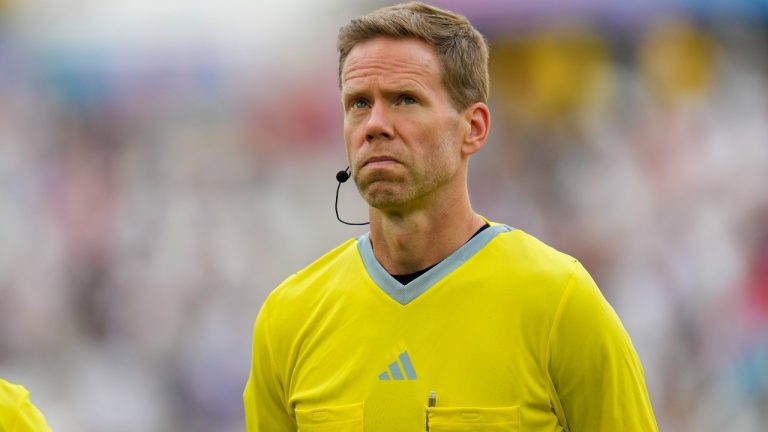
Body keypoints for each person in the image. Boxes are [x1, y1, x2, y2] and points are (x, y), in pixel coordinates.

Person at [244, 2, 658, 430]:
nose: (375, 124)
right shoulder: (289, 319)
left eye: (405, 100)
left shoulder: (559, 303)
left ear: (474, 128)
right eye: (359, 103)